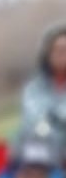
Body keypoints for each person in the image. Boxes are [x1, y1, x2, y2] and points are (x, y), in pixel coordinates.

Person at [22, 23, 66, 158]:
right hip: (49, 155)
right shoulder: (34, 90)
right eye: (58, 49)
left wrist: (55, 117)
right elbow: (37, 125)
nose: (63, 54)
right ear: (47, 54)